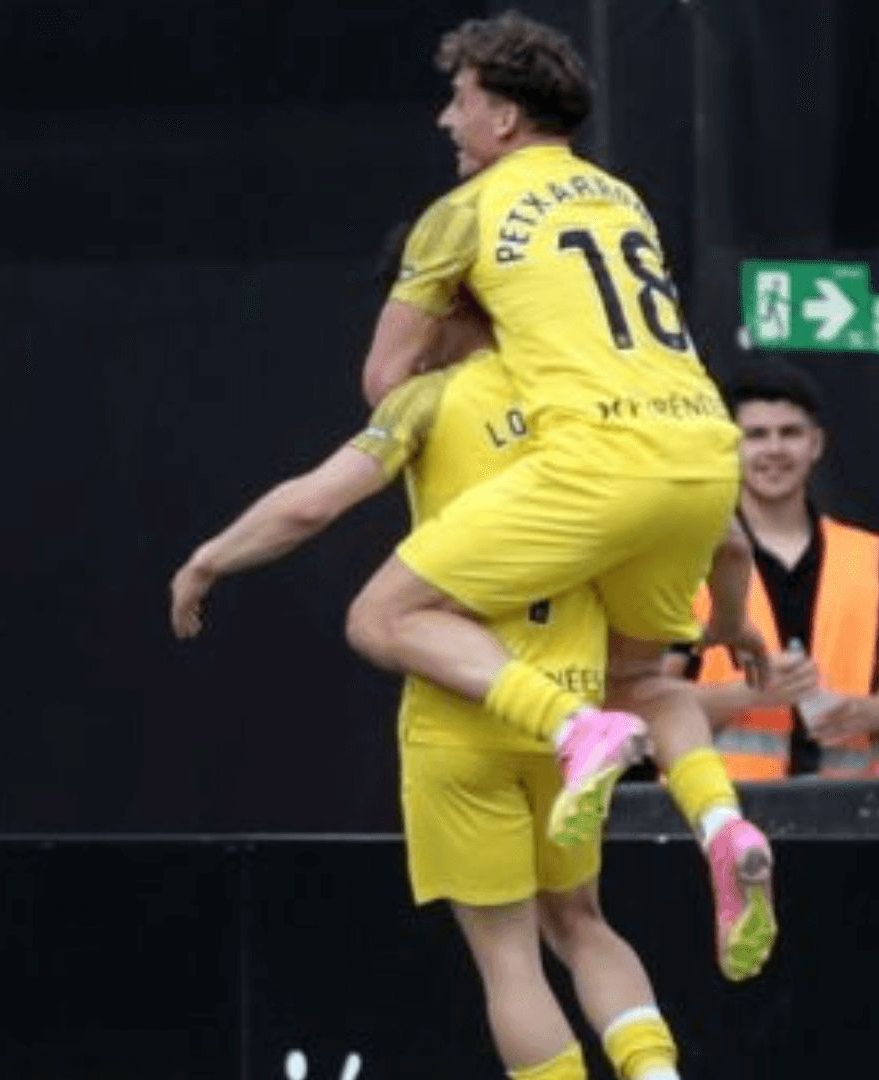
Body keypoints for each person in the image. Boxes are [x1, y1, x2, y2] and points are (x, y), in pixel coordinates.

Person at [335, 11, 776, 983]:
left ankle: (575, 730)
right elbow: (733, 550)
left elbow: (384, 379)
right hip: (704, 450)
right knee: (652, 680)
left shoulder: (462, 212)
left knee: (381, 613)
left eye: (460, 99)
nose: (447, 119)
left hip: (597, 462)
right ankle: (722, 824)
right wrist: (741, 622)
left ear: (503, 115)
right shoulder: (624, 199)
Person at [173, 267, 683, 1080]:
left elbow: (309, 505)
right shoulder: (591, 402)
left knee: (509, 959)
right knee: (583, 922)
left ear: (448, 306)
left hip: (463, 719)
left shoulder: (429, 400)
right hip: (582, 707)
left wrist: (208, 559)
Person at [677, 361, 879, 778]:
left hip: (854, 821)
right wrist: (746, 695)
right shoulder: (687, 564)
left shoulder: (871, 559)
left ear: (816, 443)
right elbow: (637, 706)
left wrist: (870, 712)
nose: (774, 449)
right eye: (755, 435)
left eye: (790, 433)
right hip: (719, 822)